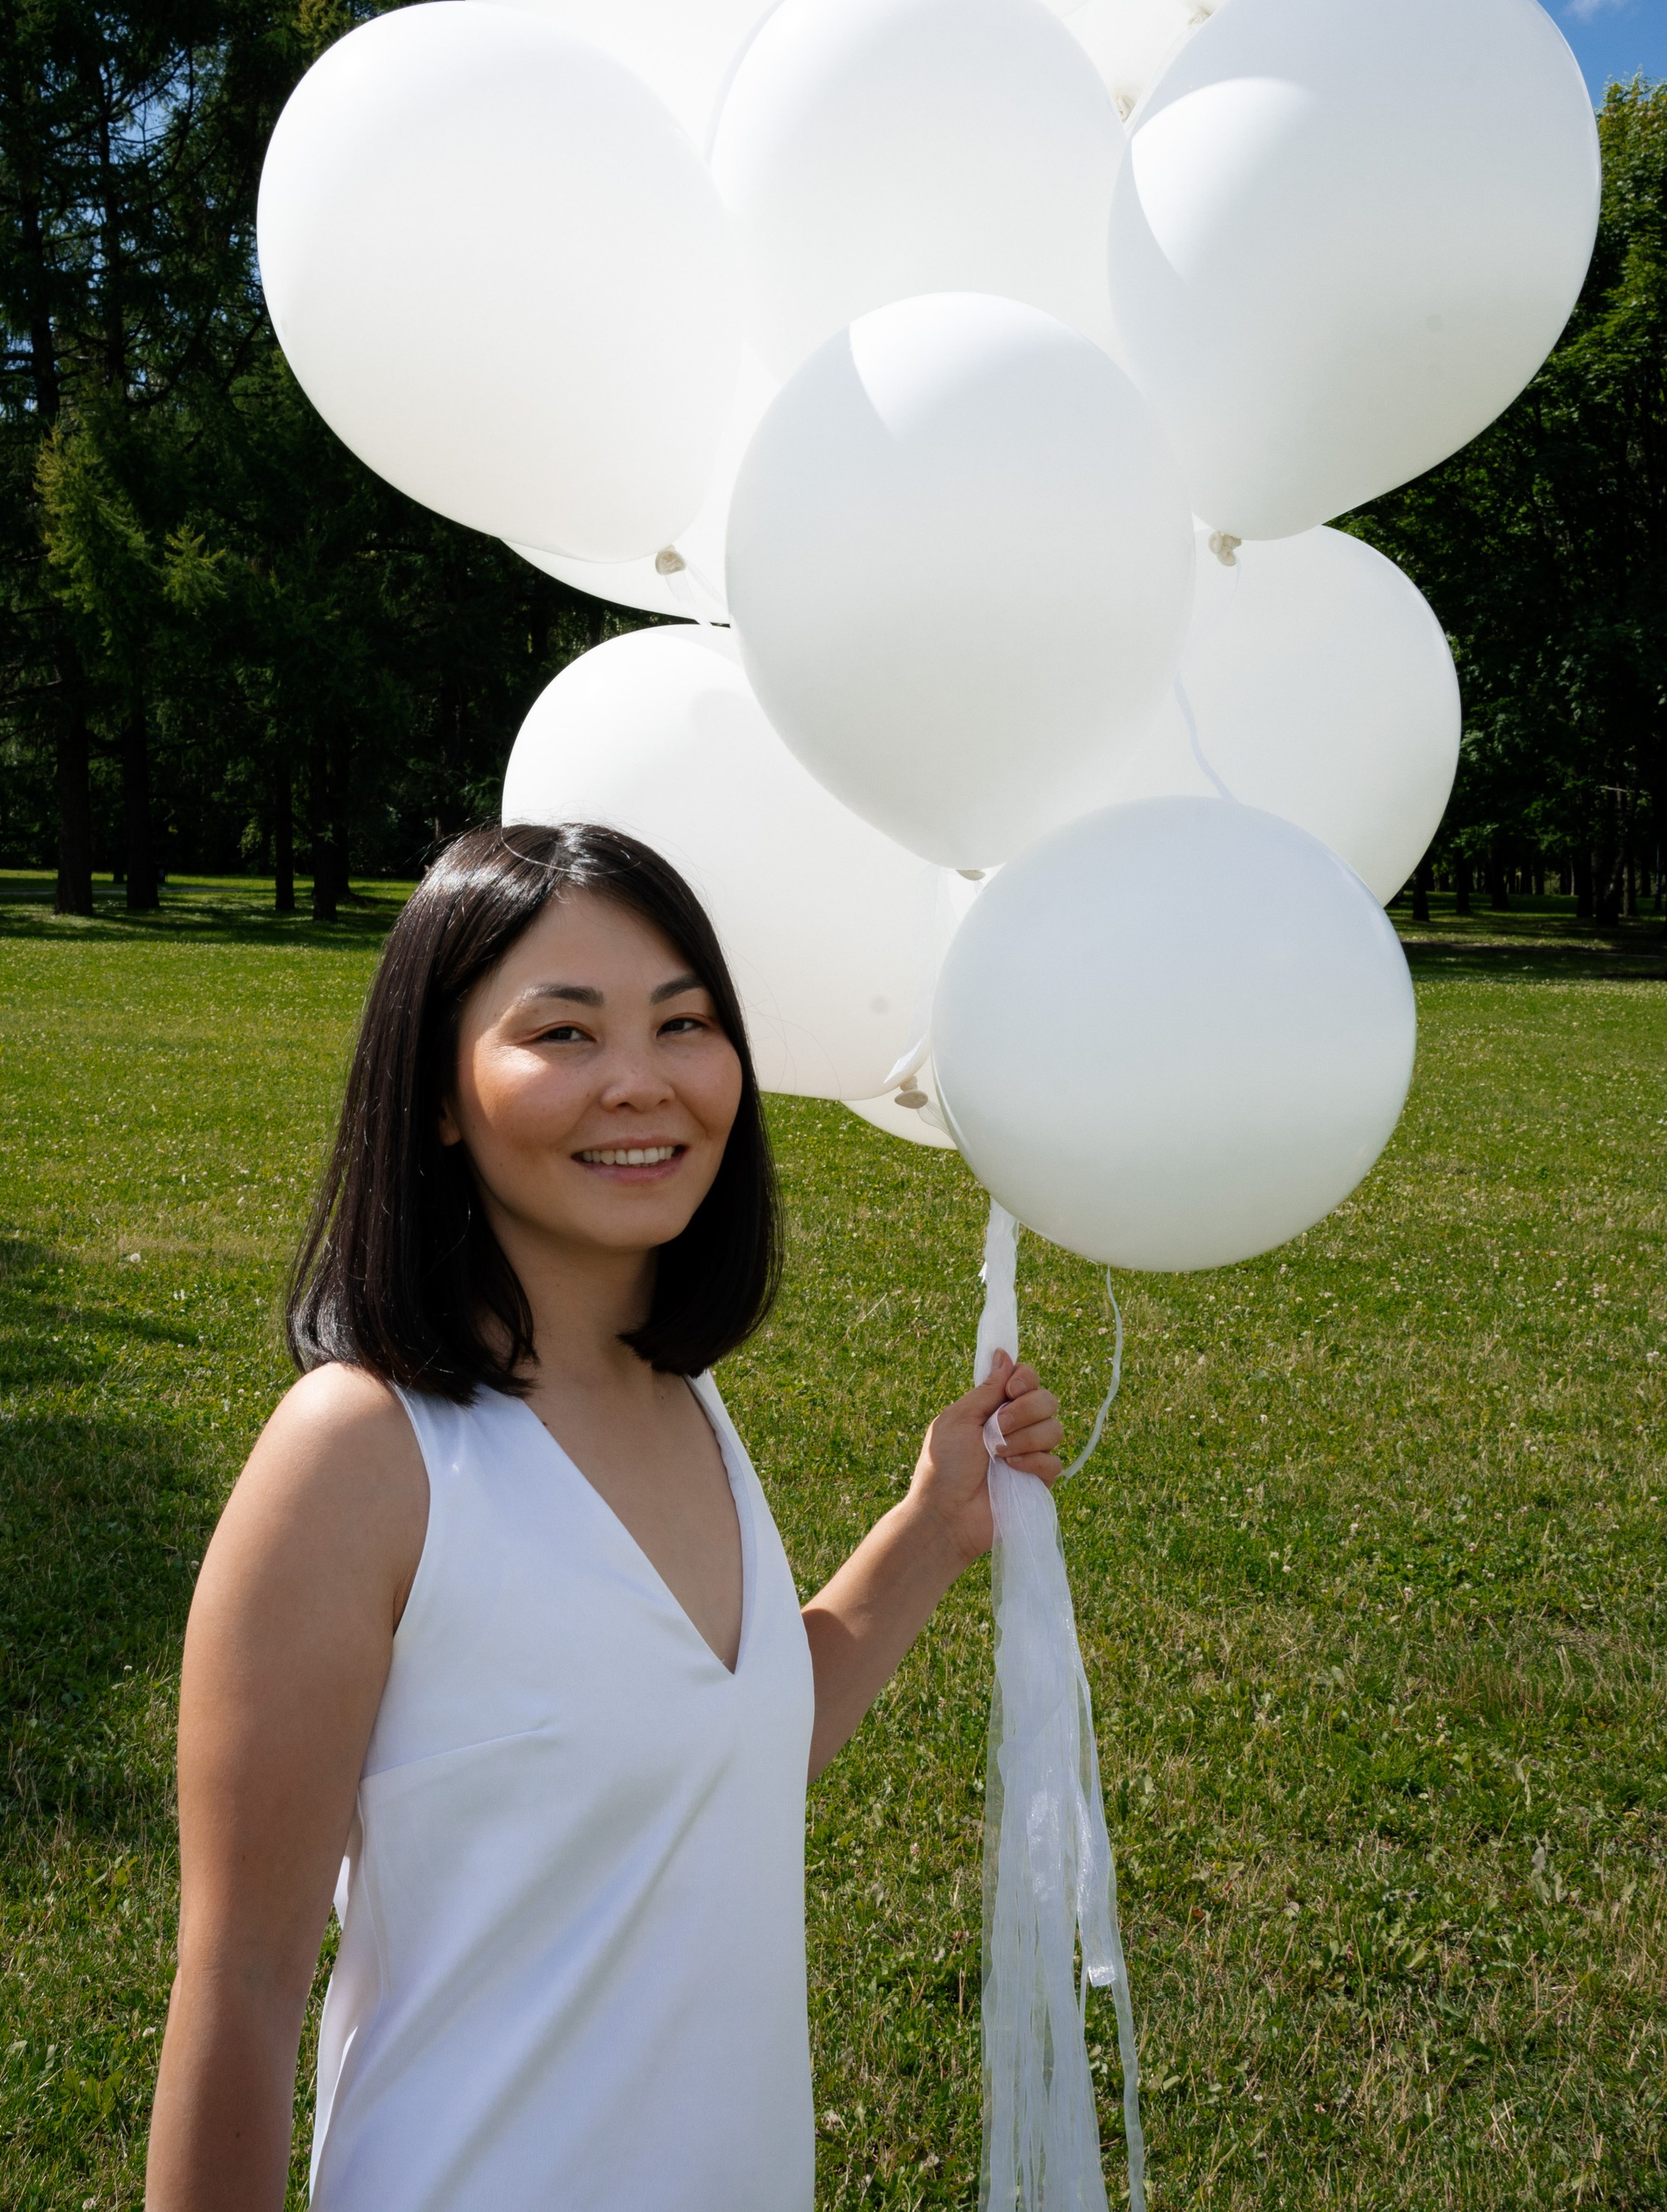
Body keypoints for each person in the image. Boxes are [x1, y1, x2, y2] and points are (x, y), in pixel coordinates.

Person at [145, 821, 1064, 2212]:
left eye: (683, 1023)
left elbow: (731, 1752)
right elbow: (243, 1982)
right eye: (562, 1035)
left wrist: (932, 1527)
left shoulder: (685, 1398)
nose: (641, 1082)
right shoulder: (365, 1454)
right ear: (441, 1093)